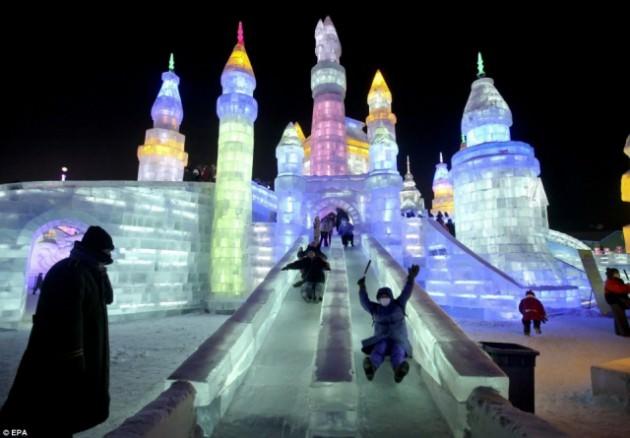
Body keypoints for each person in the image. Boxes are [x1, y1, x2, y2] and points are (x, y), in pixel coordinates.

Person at [0, 226, 116, 437]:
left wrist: (102, 273)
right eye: (106, 252)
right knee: (46, 411)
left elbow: (107, 298)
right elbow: (66, 324)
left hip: (84, 353)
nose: (109, 257)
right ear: (95, 250)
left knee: (64, 416)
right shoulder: (70, 272)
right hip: (58, 362)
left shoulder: (90, 271)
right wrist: (74, 362)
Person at [358, 264, 419, 383]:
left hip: (399, 338)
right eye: (381, 297)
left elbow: (406, 293)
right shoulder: (375, 308)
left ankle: (399, 370)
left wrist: (411, 279)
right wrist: (362, 288)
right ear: (378, 299)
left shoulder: (399, 304)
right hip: (382, 337)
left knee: (398, 351)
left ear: (391, 297)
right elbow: (364, 302)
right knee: (380, 348)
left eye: (386, 296)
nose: (384, 298)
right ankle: (371, 367)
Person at [604, 267, 630, 337]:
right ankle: (625, 332)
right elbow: (619, 289)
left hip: (618, 301)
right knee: (621, 317)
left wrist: (626, 286)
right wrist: (628, 287)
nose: (618, 274)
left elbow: (621, 288)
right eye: (616, 273)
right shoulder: (610, 281)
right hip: (615, 301)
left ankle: (619, 331)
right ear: (613, 274)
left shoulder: (615, 280)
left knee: (618, 317)